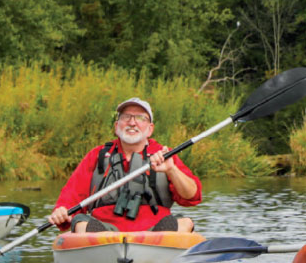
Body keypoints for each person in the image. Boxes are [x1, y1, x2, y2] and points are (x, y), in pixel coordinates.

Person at [48, 97, 201, 233]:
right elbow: (71, 198)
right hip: (104, 233)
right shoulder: (97, 155)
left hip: (155, 232)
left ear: (150, 129)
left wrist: (172, 170)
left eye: (141, 118)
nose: (132, 122)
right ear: (116, 126)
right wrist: (61, 211)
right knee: (80, 224)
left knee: (185, 223)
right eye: (126, 117)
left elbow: (192, 196)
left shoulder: (164, 155)